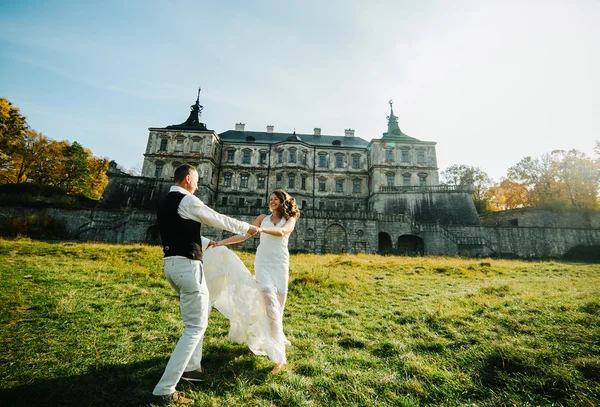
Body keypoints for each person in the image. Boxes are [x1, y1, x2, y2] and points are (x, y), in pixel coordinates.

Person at [150, 164, 260, 406]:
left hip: (172, 265)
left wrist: (208, 243)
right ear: (188, 179)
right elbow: (216, 218)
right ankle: (164, 391)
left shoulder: (165, 201)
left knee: (195, 322)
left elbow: (180, 232)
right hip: (188, 268)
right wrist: (247, 228)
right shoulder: (187, 200)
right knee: (195, 327)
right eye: (197, 181)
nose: (198, 186)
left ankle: (191, 369)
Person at [211, 190, 300, 373]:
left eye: (276, 199)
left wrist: (262, 230)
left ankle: (270, 338)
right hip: (263, 263)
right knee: (271, 305)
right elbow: (244, 235)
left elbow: (283, 232)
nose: (272, 201)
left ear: (284, 201)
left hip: (280, 263)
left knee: (278, 308)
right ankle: (278, 356)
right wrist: (222, 243)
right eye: (271, 199)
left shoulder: (290, 219)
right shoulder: (261, 218)